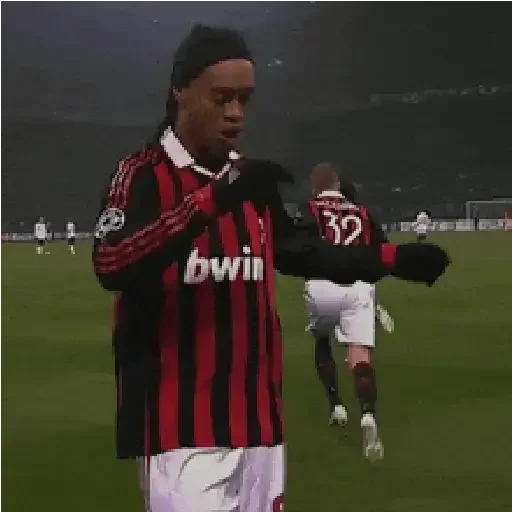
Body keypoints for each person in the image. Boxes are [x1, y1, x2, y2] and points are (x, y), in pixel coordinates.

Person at [92, 24, 450, 512]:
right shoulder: (142, 175)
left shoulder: (248, 178)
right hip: (183, 433)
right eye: (221, 98)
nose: (236, 113)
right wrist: (213, 200)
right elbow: (111, 261)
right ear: (181, 91)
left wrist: (391, 259)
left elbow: (303, 251)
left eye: (244, 99)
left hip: (260, 425)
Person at [300, 163, 394, 462]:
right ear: (338, 185)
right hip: (358, 287)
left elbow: (296, 245)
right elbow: (382, 251)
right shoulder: (361, 213)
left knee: (322, 340)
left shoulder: (309, 210)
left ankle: (337, 406)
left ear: (315, 186)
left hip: (321, 284)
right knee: (361, 358)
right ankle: (368, 415)